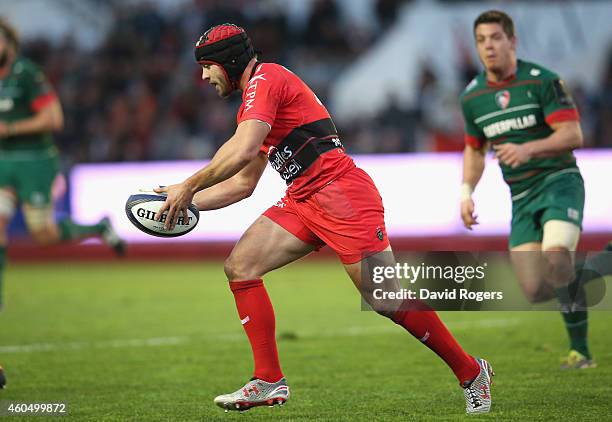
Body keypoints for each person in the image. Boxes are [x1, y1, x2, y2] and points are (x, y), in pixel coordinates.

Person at [155, 23, 494, 414]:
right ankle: (267, 379)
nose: (203, 76)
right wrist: (185, 202)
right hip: (303, 199)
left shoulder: (267, 79)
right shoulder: (255, 100)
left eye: (208, 66)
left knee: (385, 298)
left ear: (229, 62)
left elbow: (243, 149)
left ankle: (472, 372)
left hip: (342, 195)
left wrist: (188, 185)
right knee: (241, 266)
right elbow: (242, 185)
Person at [460, 10, 604, 369]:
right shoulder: (473, 96)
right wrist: (466, 190)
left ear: (512, 41)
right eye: (481, 40)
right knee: (534, 289)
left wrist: (527, 148)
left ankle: (581, 353)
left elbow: (573, 135)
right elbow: (475, 149)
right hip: (521, 199)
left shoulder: (544, 81)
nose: (488, 46)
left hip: (559, 183)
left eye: (495, 38)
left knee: (557, 259)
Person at [0, 18, 126, 388]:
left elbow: (54, 117)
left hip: (36, 161)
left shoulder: (26, 74)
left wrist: (8, 129)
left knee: (43, 233)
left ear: (9, 42)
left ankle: (98, 227)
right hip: (3, 163)